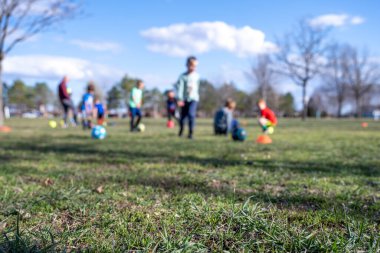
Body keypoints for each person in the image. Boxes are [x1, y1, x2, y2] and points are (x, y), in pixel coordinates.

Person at [176, 56, 200, 139]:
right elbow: (180, 88)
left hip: (194, 99)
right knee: (183, 117)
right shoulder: (183, 76)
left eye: (195, 66)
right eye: (191, 65)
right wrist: (180, 99)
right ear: (187, 65)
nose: (193, 67)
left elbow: (197, 87)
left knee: (191, 115)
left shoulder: (197, 76)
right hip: (184, 99)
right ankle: (181, 130)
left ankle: (191, 133)